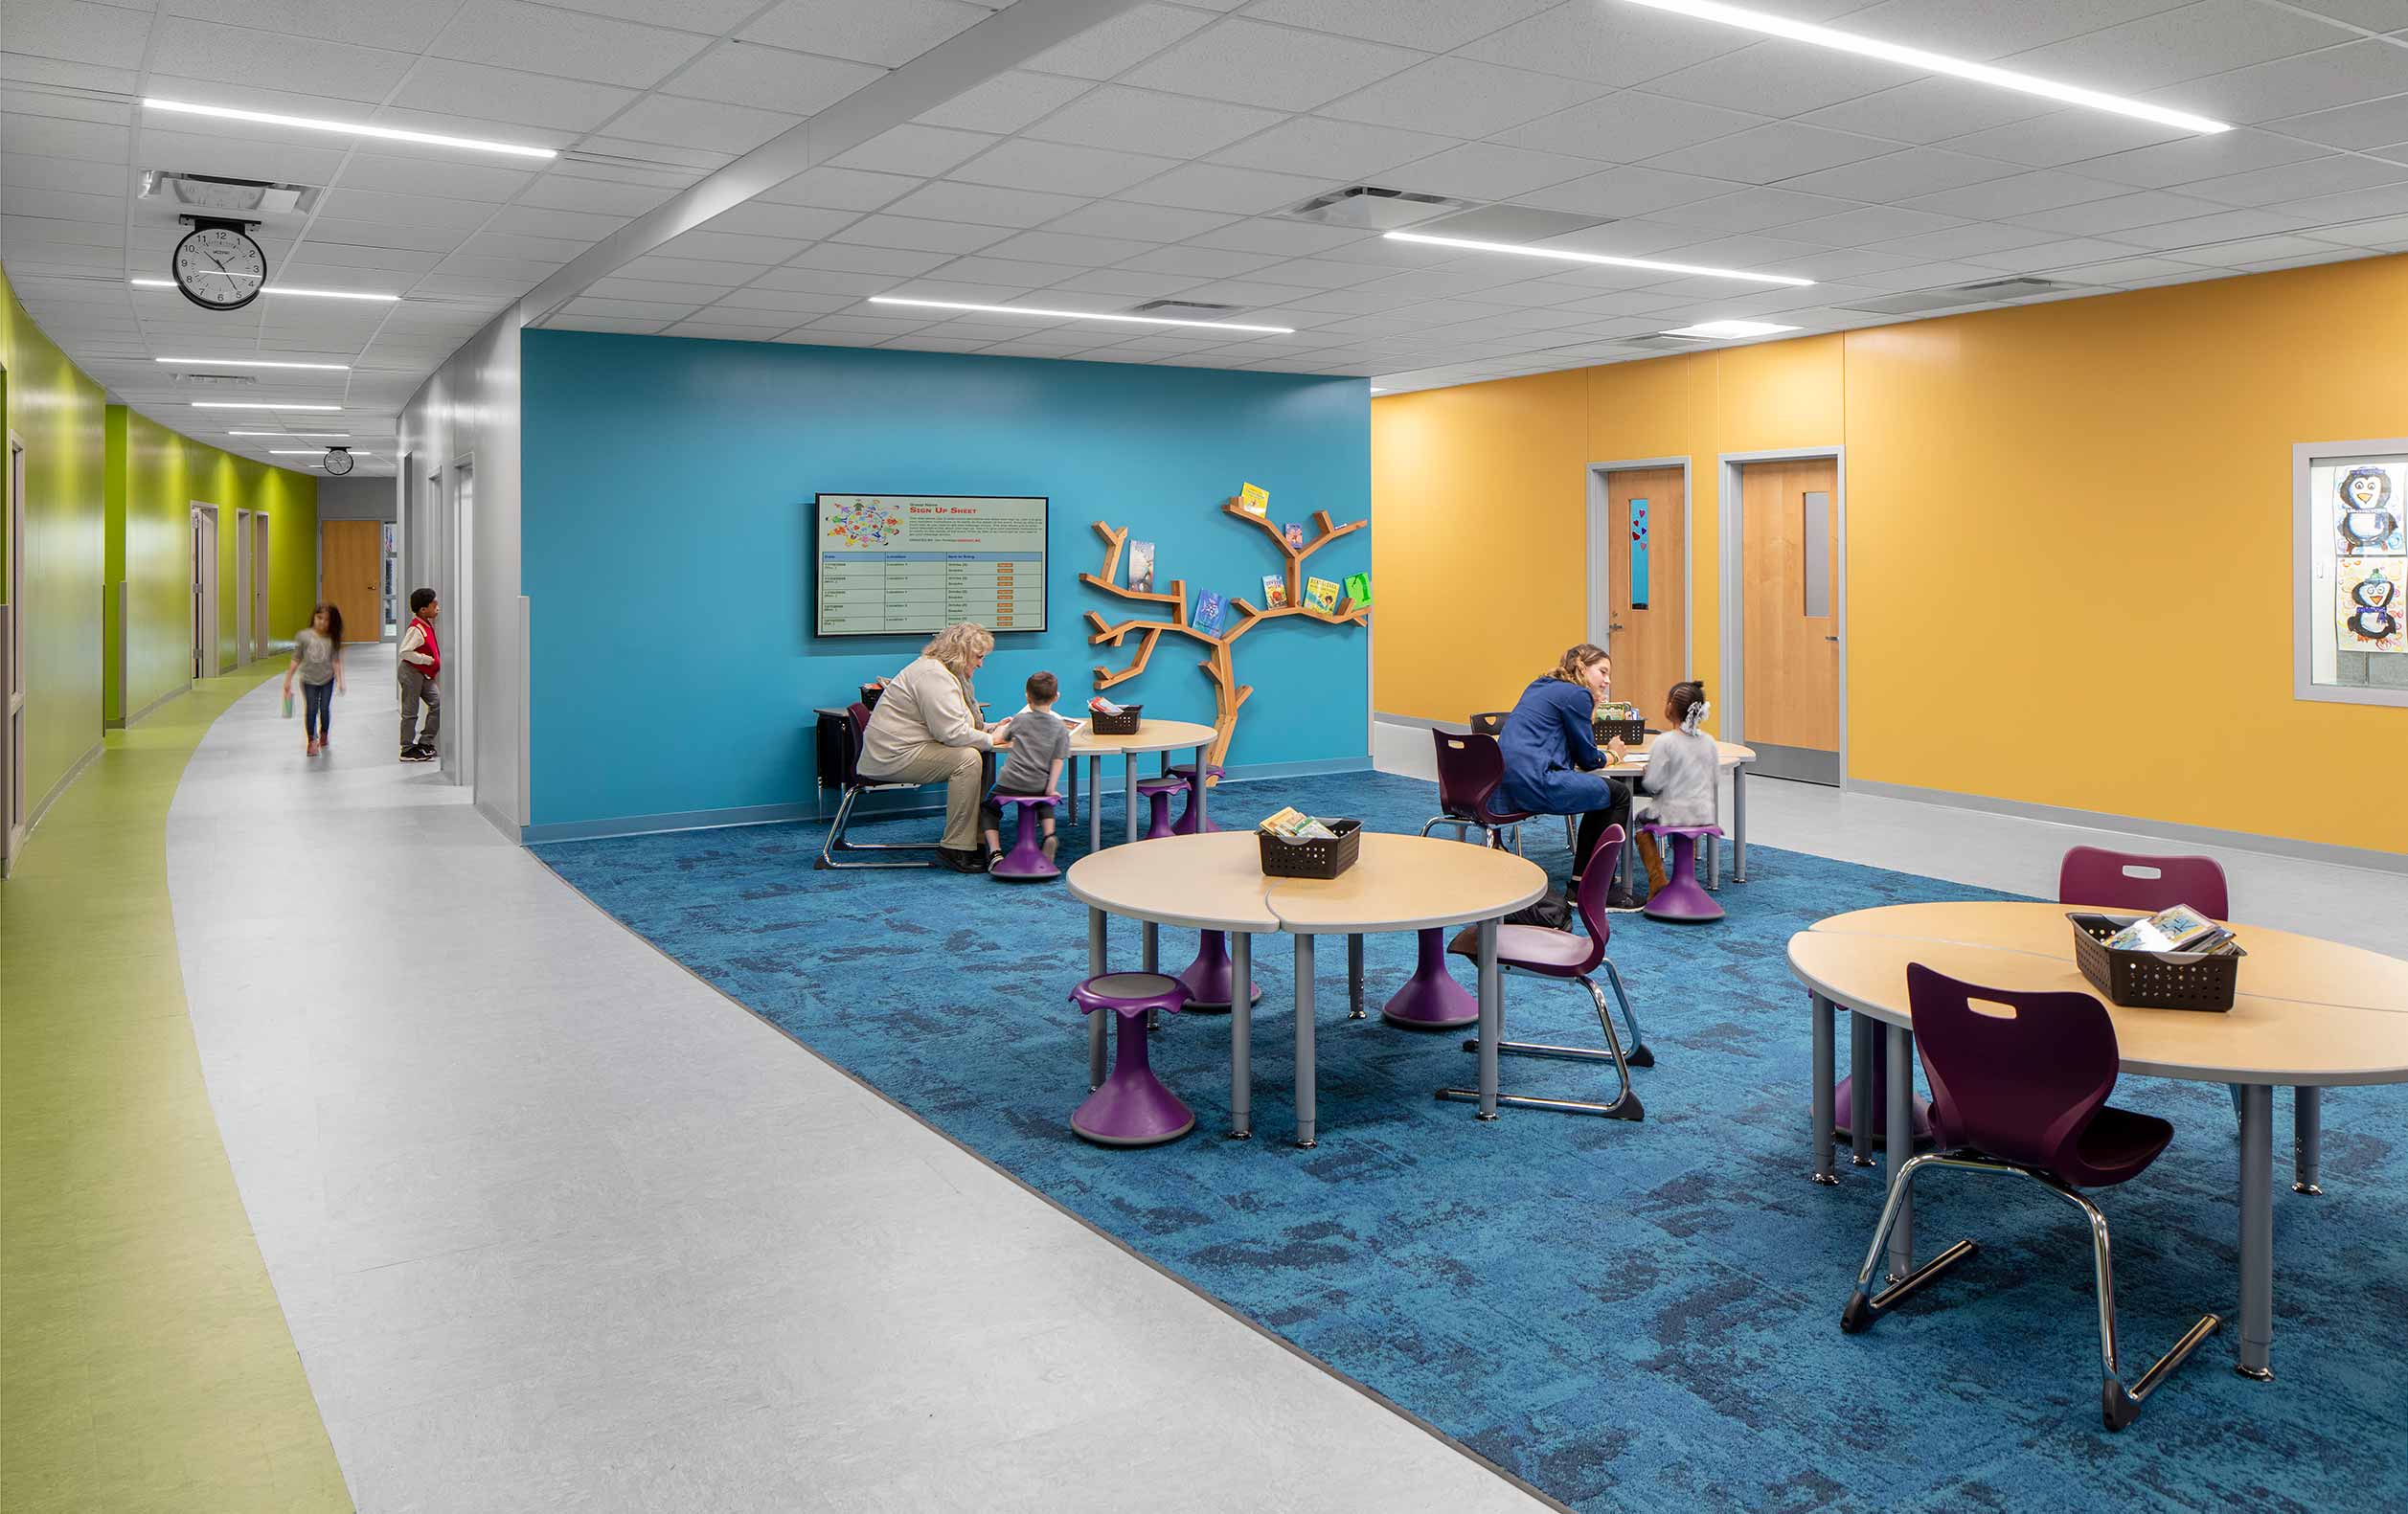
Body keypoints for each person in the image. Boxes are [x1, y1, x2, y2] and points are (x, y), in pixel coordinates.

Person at [1496, 643, 1642, 910]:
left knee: (1600, 792)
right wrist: (1614, 754)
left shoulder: (1539, 685)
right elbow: (1588, 759)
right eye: (1603, 672)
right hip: (1538, 781)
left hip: (1502, 783)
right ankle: (1596, 888)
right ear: (1582, 667)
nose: (1608, 681)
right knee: (1618, 794)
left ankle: (1580, 882)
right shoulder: (1577, 695)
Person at [858, 621, 1009, 873]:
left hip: (906, 750)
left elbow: (957, 723)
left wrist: (992, 728)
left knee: (977, 752)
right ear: (962, 652)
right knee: (968, 758)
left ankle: (975, 839)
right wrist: (994, 739)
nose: (981, 664)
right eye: (979, 657)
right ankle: (956, 848)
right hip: (893, 757)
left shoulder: (942, 672)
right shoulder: (933, 675)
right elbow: (951, 733)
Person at [1631, 680, 1718, 893]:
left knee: (1640, 823)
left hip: (1672, 812)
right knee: (1684, 818)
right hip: (1704, 813)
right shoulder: (1709, 741)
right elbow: (1713, 778)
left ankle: (1657, 880)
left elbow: (1652, 784)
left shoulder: (1665, 742)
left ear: (1670, 706)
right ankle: (1686, 878)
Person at [981, 670, 1071, 870]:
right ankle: (1049, 835)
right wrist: (1051, 788)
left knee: (988, 807)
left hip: (1010, 782)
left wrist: (999, 727)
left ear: (1027, 696)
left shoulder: (1020, 720)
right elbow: (1058, 760)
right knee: (1044, 801)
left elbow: (1002, 737)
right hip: (1039, 782)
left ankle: (995, 852)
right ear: (1056, 697)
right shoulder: (1060, 728)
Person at [283, 602, 345, 757]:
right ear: (314, 618)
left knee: (324, 708)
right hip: (308, 680)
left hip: (327, 679)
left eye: (326, 620)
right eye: (319, 618)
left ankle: (324, 732)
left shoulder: (332, 639)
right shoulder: (303, 636)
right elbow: (296, 659)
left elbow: (335, 661)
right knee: (311, 709)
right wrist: (288, 679)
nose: (322, 622)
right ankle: (312, 740)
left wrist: (340, 680)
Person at [398, 588, 441, 763]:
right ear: (423, 610)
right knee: (410, 711)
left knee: (437, 703)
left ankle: (425, 741)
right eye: (434, 605)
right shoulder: (416, 629)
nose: (438, 608)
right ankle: (407, 749)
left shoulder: (427, 624)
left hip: (423, 675)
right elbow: (405, 652)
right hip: (411, 673)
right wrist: (427, 660)